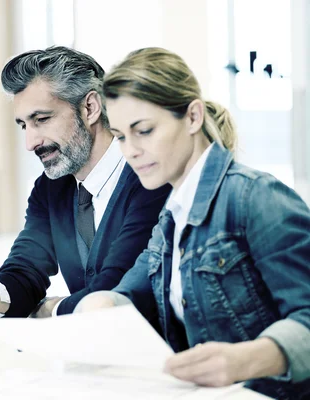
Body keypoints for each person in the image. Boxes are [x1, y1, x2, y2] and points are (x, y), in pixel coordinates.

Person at [76, 47, 310, 399]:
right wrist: (100, 305)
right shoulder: (171, 217)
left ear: (192, 117)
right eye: (121, 136)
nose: (131, 151)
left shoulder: (255, 197)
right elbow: (129, 295)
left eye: (145, 131)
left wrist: (250, 359)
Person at [0, 46, 170, 318]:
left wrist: (52, 309)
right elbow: (24, 276)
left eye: (42, 120)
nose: (30, 143)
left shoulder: (149, 177)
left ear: (90, 107)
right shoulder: (51, 189)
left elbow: (116, 288)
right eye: (24, 125)